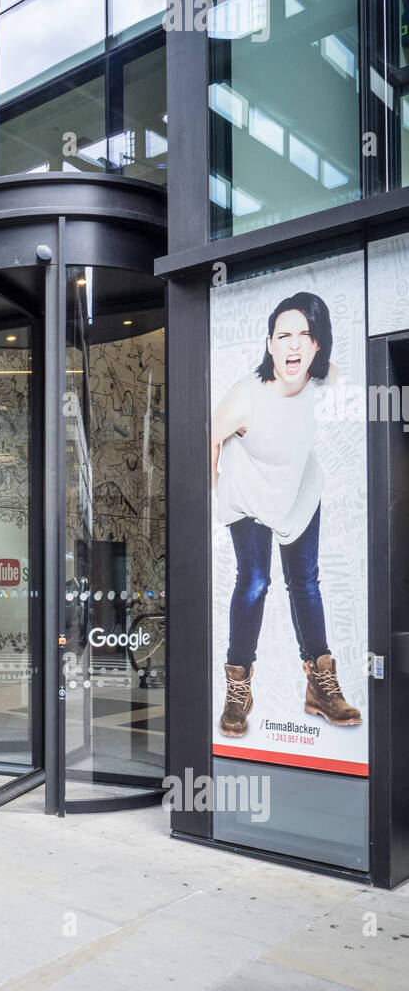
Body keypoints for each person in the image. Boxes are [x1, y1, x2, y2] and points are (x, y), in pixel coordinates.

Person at [211, 291, 360, 738]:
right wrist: (215, 486)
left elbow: (339, 377)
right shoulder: (245, 397)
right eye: (284, 335)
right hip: (250, 495)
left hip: (298, 492)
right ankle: (238, 688)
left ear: (317, 345)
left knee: (306, 582)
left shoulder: (322, 379)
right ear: (270, 343)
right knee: (255, 581)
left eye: (305, 336)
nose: (294, 345)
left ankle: (320, 684)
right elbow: (206, 436)